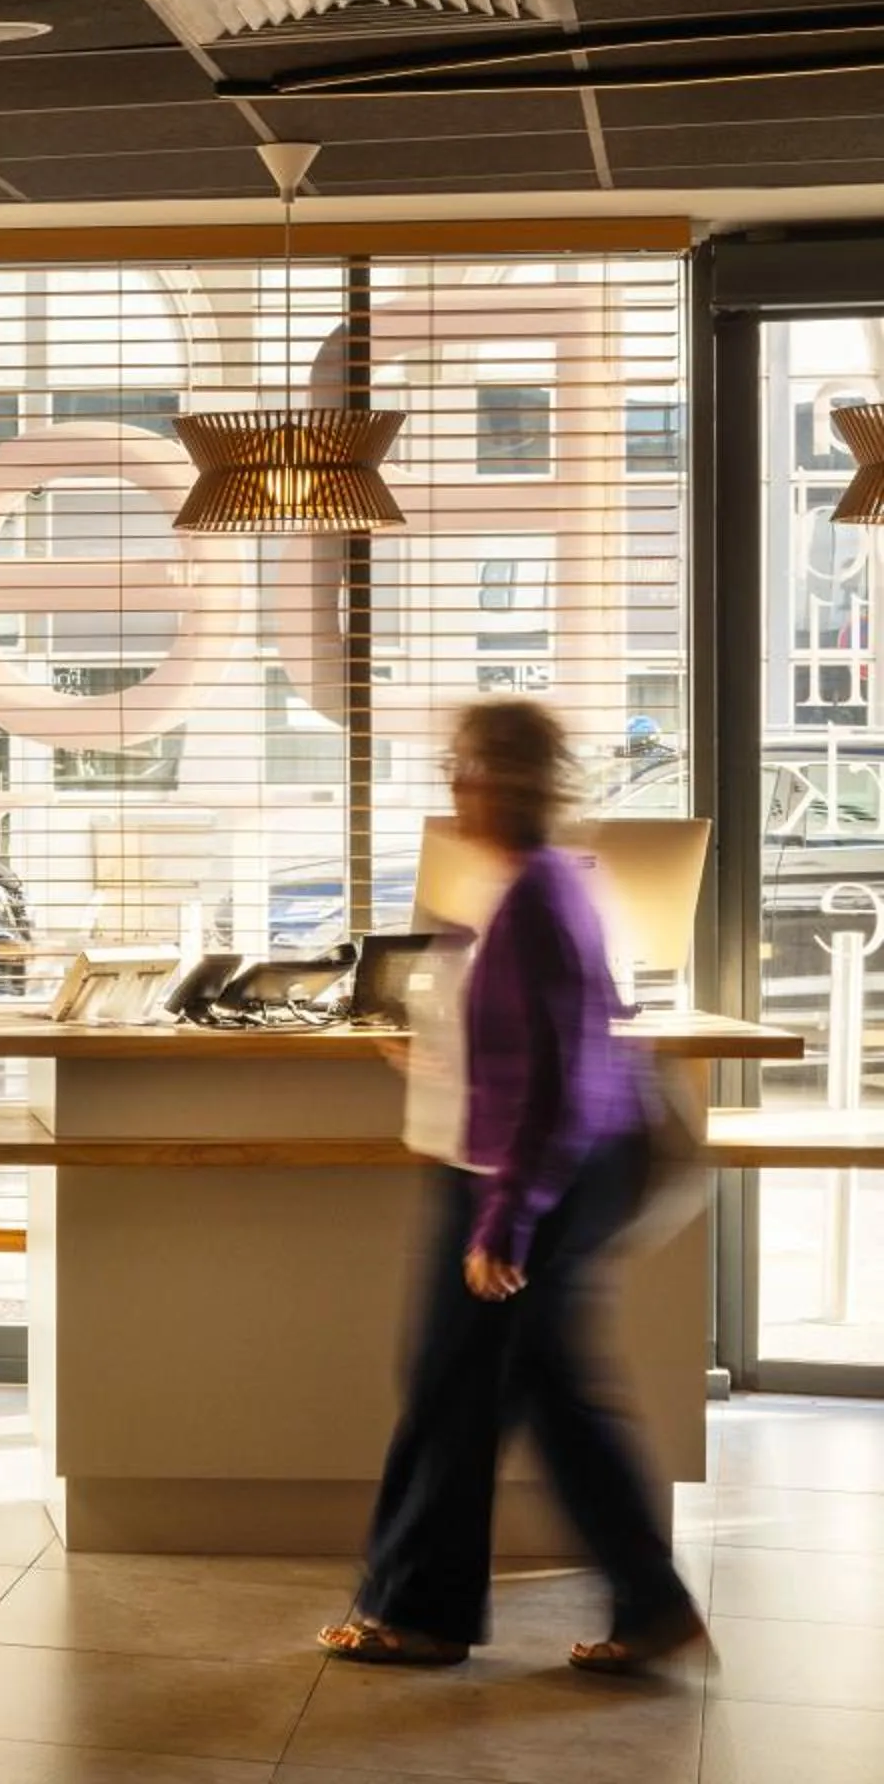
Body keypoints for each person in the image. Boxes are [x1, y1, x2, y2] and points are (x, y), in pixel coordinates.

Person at [317, 698, 704, 1673]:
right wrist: (444, 1059)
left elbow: (561, 1082)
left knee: (458, 1384)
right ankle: (647, 1600)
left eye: (466, 764)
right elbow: (537, 1043)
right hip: (544, 1168)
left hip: (534, 1179)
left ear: (506, 778)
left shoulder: (538, 895)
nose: (452, 781)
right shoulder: (543, 881)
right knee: (530, 1388)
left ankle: (424, 1610)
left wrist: (506, 1222)